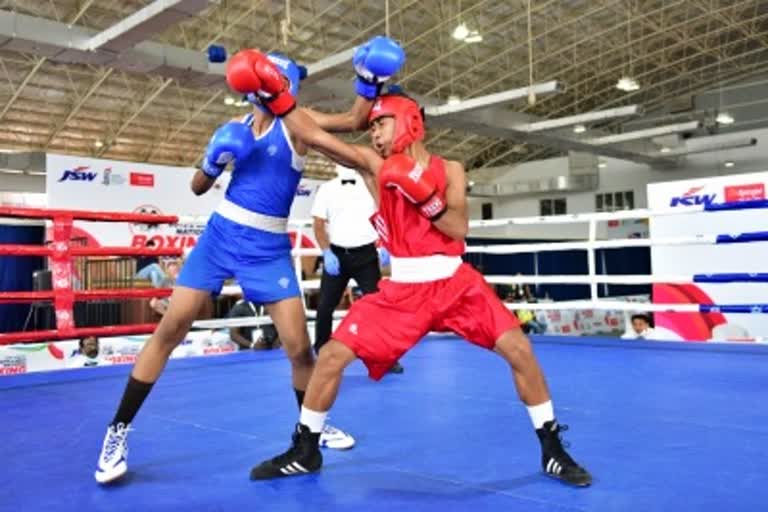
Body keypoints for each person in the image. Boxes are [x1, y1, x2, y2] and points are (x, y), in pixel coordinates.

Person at [234, 52, 591, 486]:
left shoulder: (451, 170)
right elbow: (313, 135)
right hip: (402, 288)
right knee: (330, 357)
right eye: (372, 130)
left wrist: (424, 195)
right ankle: (306, 449)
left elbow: (458, 227)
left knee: (520, 352)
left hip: (457, 283)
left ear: (408, 120)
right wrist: (279, 99)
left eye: (380, 125)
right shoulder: (374, 166)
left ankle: (552, 451)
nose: (376, 136)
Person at [94, 37, 406, 484]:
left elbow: (356, 120)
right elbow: (198, 186)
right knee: (172, 326)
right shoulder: (235, 124)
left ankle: (311, 429)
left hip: (269, 247)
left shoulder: (299, 122)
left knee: (299, 348)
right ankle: (117, 432)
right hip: (221, 234)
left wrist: (369, 81)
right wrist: (215, 160)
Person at [311, 164, 402, 373]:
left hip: (366, 255)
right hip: (337, 254)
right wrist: (326, 251)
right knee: (325, 306)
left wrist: (386, 243)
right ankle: (321, 354)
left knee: (379, 308)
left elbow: (383, 216)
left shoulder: (370, 186)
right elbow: (318, 224)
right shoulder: (326, 189)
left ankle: (385, 358)